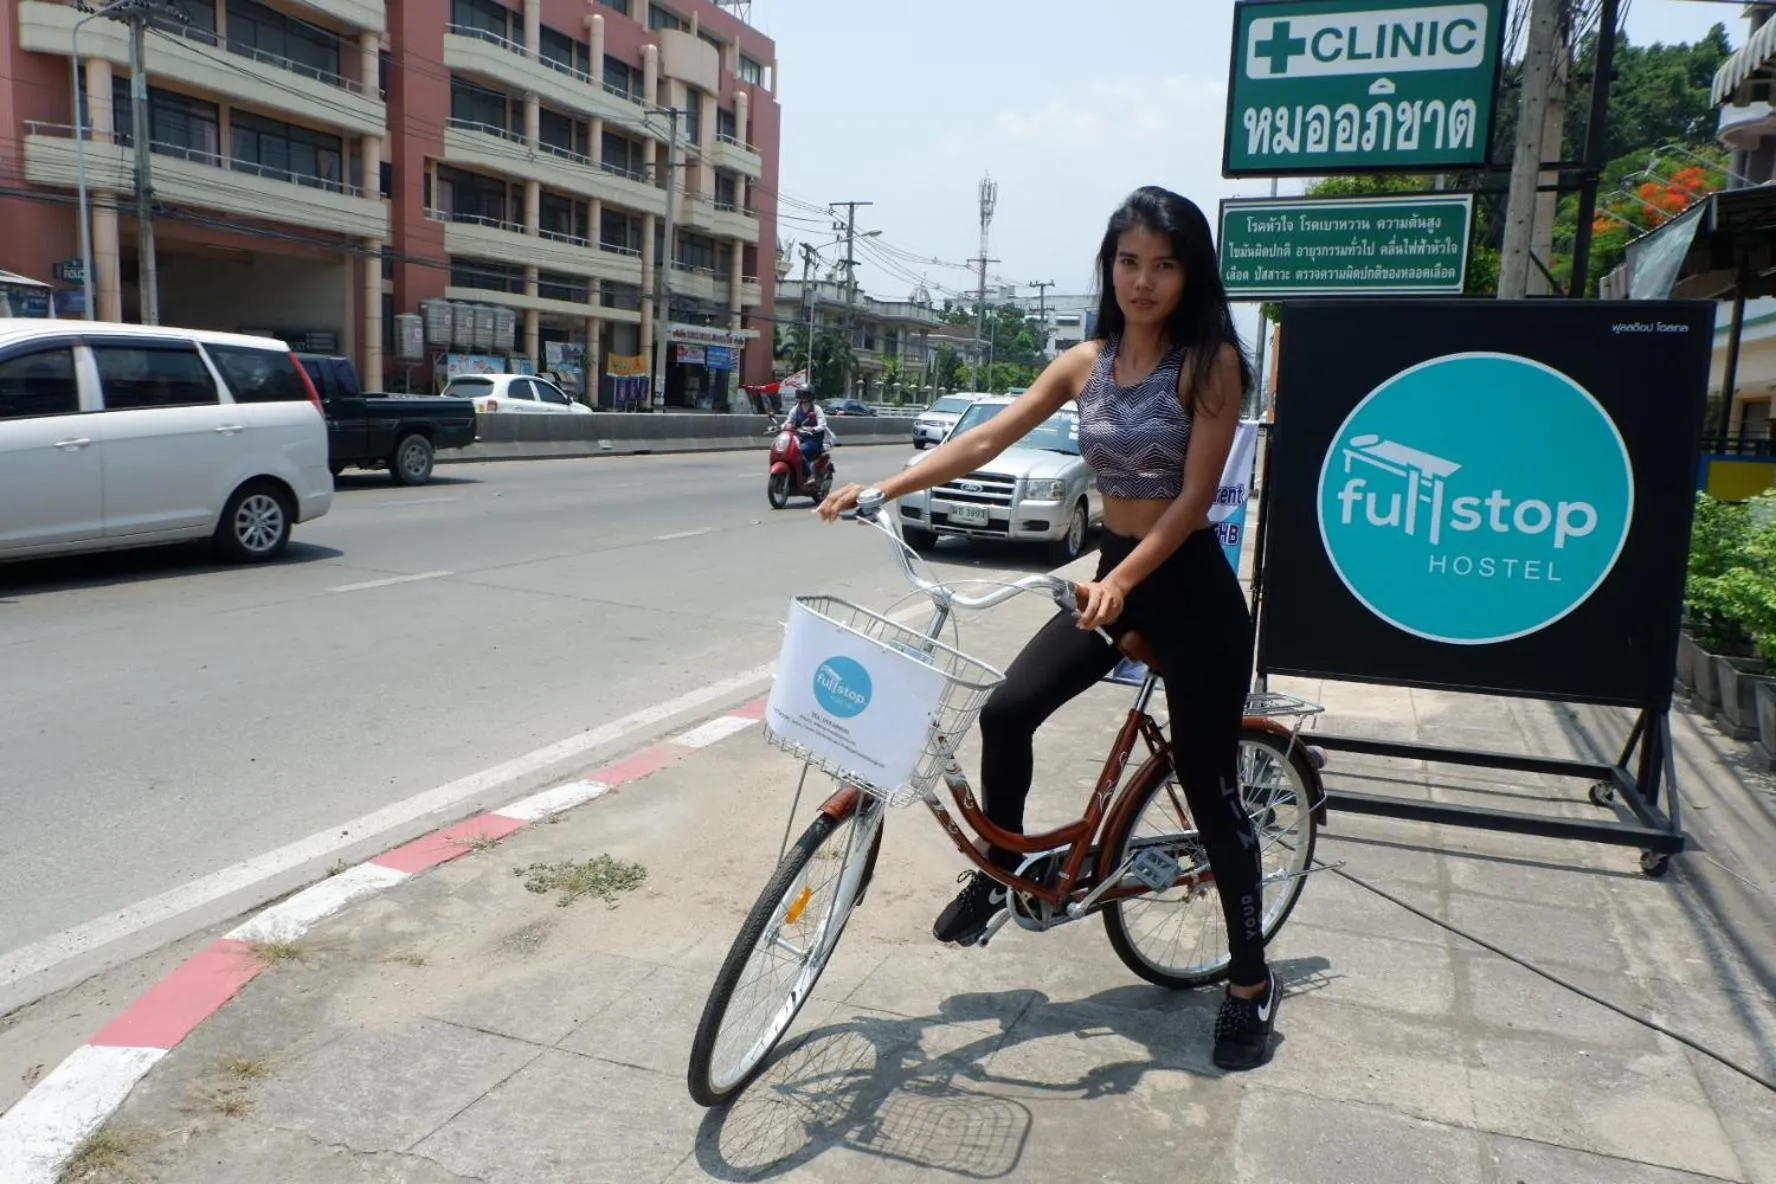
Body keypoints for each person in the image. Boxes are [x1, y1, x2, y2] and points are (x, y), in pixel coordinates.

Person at [817, 186, 1274, 1072]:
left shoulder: (1210, 362)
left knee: (1211, 792)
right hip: (1116, 576)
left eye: (1166, 263)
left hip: (1190, 592)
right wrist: (886, 488)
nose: (1143, 280)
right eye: (1129, 260)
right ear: (1109, 265)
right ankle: (1003, 875)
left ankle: (1251, 983)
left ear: (1192, 272)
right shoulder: (1087, 361)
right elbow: (987, 440)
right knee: (1006, 711)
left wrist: (1123, 583)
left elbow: (1191, 501)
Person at [783, 391, 830, 485]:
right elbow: (788, 422)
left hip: (814, 440)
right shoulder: (795, 409)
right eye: (801, 394)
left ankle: (810, 475)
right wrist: (778, 427)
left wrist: (813, 429)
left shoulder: (817, 409)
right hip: (799, 438)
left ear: (811, 396)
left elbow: (823, 425)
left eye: (805, 394)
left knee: (799, 451)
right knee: (787, 450)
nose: (803, 397)